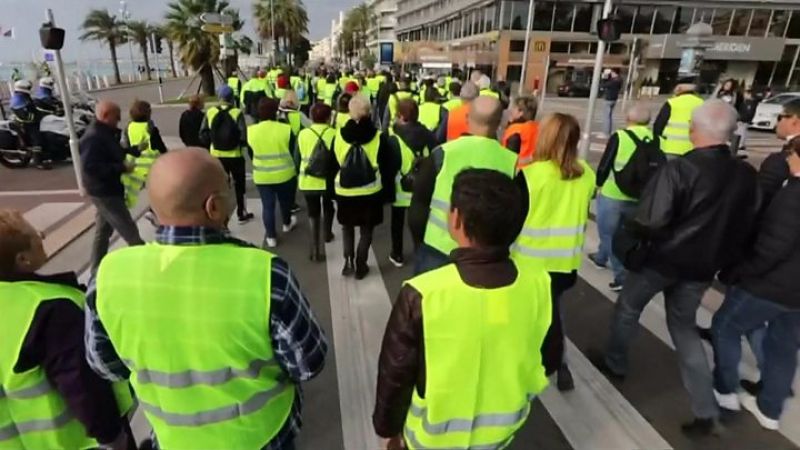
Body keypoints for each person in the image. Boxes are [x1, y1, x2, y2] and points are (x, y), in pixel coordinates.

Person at [85, 148, 328, 450]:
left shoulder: (109, 274)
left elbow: (105, 366)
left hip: (173, 438)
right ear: (213, 207)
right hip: (262, 436)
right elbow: (307, 362)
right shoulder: (265, 273)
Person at [591, 100, 760, 436]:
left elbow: (651, 219)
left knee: (628, 308)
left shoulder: (680, 169)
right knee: (684, 330)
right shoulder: (744, 174)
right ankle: (704, 409)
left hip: (661, 261)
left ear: (695, 130)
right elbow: (748, 221)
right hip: (702, 269)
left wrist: (630, 239)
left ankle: (616, 361)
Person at [373, 169, 552, 450]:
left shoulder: (422, 293)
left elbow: (396, 376)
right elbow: (548, 355)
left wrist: (388, 430)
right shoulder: (539, 282)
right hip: (503, 434)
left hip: (429, 440)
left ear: (456, 219)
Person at [0, 210, 135, 450]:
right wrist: (114, 437)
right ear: (23, 259)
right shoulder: (48, 308)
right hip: (76, 443)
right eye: (37, 237)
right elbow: (82, 384)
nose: (42, 237)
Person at [710, 137, 800, 431]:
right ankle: (770, 410)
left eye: (792, 154)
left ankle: (724, 391)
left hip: (770, 284)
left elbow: (773, 247)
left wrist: (742, 272)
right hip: (795, 294)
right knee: (783, 346)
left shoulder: (794, 196)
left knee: (725, 327)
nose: (788, 159)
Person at [511, 113, 596, 391]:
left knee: (530, 317)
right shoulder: (586, 174)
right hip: (566, 263)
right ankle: (560, 365)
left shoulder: (530, 176)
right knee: (554, 312)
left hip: (530, 263)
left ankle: (545, 364)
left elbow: (514, 220)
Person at [410, 96, 519, 275]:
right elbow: (516, 217)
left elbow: (418, 206)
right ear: (499, 123)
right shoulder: (511, 162)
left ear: (467, 118)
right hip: (486, 257)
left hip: (438, 249)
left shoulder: (442, 154)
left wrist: (420, 244)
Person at [331, 95, 400, 279]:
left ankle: (348, 260)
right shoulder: (378, 137)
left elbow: (333, 163)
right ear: (369, 112)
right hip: (370, 191)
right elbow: (387, 166)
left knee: (347, 227)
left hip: (344, 190)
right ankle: (361, 264)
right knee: (366, 229)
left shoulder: (338, 135)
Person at [589, 104, 653, 291]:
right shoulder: (658, 139)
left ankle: (621, 276)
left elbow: (605, 164)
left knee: (608, 234)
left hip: (614, 194)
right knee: (626, 233)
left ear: (628, 119)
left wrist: (597, 185)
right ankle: (601, 257)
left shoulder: (620, 137)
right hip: (640, 196)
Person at [80, 100, 145, 273]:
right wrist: (122, 168)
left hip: (106, 188)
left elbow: (114, 152)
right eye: (116, 118)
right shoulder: (94, 137)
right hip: (104, 191)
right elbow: (90, 167)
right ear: (106, 115)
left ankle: (95, 268)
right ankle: (146, 262)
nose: (118, 121)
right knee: (129, 230)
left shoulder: (104, 134)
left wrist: (133, 150)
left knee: (103, 231)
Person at [388, 99, 437, 267]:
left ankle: (397, 254)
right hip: (422, 187)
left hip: (400, 188)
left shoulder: (394, 138)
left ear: (401, 116)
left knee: (397, 223)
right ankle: (420, 253)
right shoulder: (428, 134)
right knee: (421, 224)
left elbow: (390, 166)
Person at [200, 85, 254, 224]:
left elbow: (203, 133)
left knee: (220, 187)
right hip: (235, 155)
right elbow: (243, 135)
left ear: (219, 97)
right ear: (231, 98)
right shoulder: (237, 112)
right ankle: (241, 212)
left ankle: (222, 217)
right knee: (239, 185)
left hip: (217, 155)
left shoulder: (210, 112)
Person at [249, 98, 299, 248]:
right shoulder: (285, 129)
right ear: (276, 112)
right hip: (285, 173)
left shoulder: (251, 130)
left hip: (262, 175)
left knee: (268, 206)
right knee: (285, 202)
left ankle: (271, 237)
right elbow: (292, 151)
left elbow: (251, 154)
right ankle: (286, 223)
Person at [297, 103, 337, 261]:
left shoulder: (303, 134)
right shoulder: (334, 133)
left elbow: (297, 157)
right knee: (329, 207)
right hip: (328, 180)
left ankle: (315, 249)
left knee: (313, 213)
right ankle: (327, 233)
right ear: (328, 117)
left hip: (308, 180)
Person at [121, 100, 168, 209]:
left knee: (132, 193)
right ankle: (153, 211)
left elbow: (124, 145)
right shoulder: (150, 128)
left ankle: (129, 211)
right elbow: (160, 146)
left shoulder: (128, 127)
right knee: (157, 192)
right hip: (149, 166)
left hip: (133, 165)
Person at [760, 98, 800, 206]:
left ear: (794, 120)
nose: (777, 122)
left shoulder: (781, 160)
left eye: (780, 117)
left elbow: (762, 199)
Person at [653, 79, 705, 158]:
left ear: (679, 90)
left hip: (670, 147)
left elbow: (658, 125)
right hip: (693, 148)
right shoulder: (702, 103)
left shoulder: (672, 102)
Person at [10, 80, 49, 169]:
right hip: (24, 124)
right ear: (23, 88)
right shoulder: (18, 100)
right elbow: (26, 116)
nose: (30, 89)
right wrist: (38, 117)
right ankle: (38, 162)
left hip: (28, 122)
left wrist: (42, 113)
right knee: (37, 139)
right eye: (28, 88)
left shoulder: (23, 96)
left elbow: (33, 108)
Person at [502, 95, 539, 167]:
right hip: (533, 170)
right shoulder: (538, 128)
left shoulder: (515, 131)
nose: (511, 110)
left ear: (521, 113)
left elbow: (509, 158)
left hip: (517, 171)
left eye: (514, 108)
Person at [736, 88, 758, 152]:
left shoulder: (750, 103)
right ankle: (740, 144)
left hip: (744, 120)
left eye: (745, 94)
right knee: (740, 131)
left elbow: (749, 112)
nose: (744, 95)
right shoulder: (746, 102)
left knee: (742, 132)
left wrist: (742, 118)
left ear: (749, 94)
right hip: (742, 119)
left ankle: (741, 144)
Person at [602, 70, 622, 137]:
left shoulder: (613, 81)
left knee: (606, 117)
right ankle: (608, 131)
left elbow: (604, 85)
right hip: (614, 99)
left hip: (608, 99)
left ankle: (606, 133)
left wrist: (605, 77)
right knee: (609, 116)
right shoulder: (619, 80)